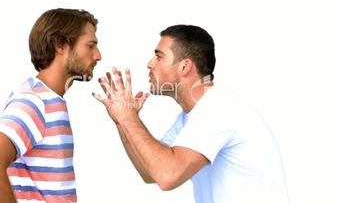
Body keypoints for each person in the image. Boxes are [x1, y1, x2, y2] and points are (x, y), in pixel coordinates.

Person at [93, 25, 290, 203]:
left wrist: (129, 117)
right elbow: (150, 172)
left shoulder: (219, 109)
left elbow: (166, 175)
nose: (150, 63)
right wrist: (122, 120)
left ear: (185, 66)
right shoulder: (191, 116)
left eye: (159, 56)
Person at [0, 8, 101, 203]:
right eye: (90, 46)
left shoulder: (49, 100)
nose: (98, 55)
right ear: (60, 45)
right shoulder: (34, 101)